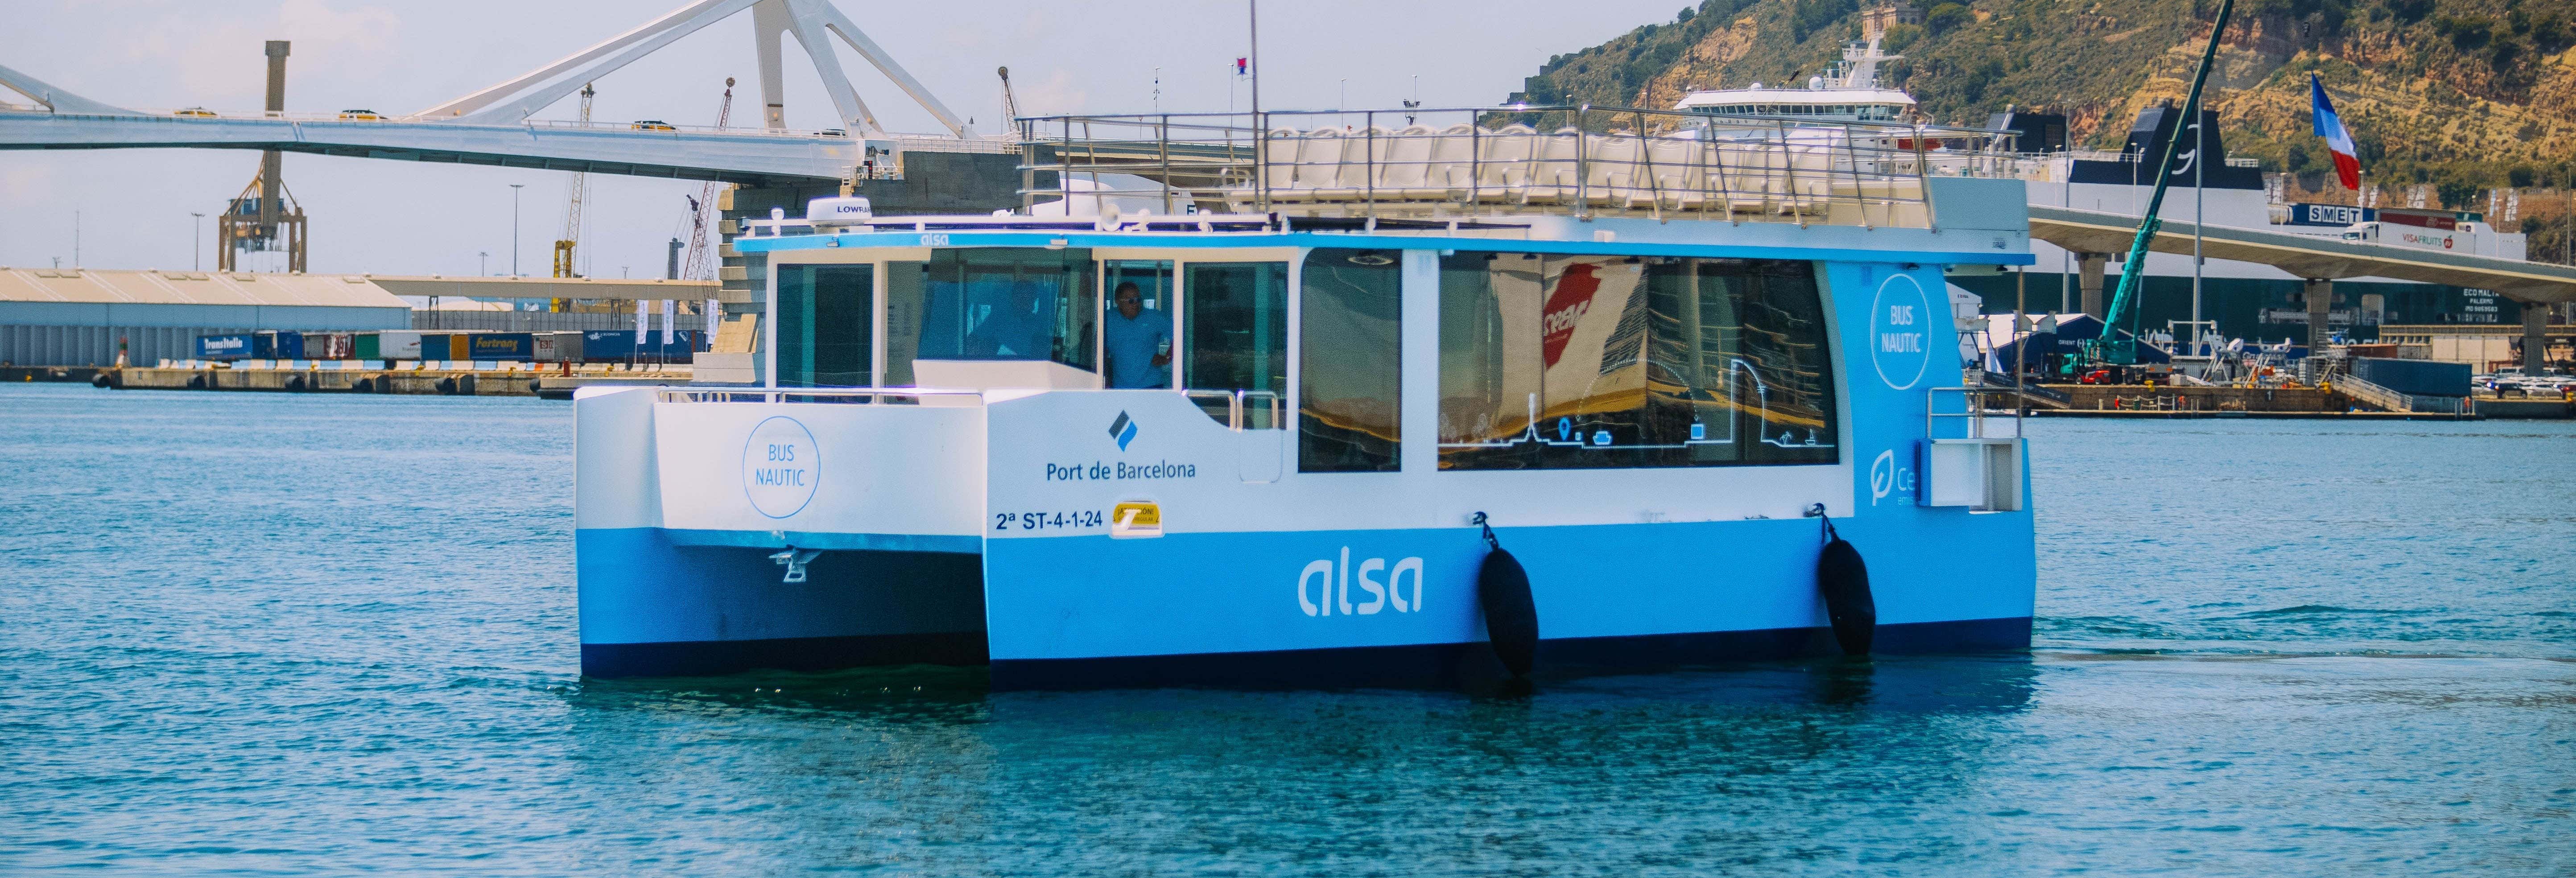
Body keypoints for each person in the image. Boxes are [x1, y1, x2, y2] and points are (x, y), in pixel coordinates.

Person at [1102, 280, 1172, 388]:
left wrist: (1168, 357)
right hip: (1120, 387)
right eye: (1131, 301)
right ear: (1118, 301)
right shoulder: (1108, 320)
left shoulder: (1154, 317)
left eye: (1138, 300)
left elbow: (1180, 336)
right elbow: (1100, 351)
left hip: (1152, 385)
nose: (1136, 303)